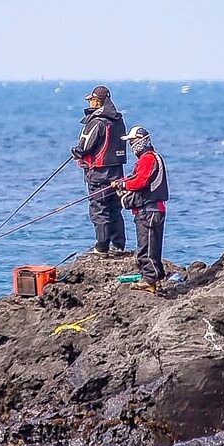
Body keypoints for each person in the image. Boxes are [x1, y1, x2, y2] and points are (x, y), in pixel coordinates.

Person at [71, 86, 127, 255]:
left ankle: (102, 246)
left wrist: (76, 152)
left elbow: (86, 147)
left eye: (91, 99)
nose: (89, 102)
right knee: (115, 209)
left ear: (98, 101)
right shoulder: (118, 120)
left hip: (98, 174)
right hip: (117, 173)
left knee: (99, 208)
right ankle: (118, 245)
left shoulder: (97, 121)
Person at [114, 125, 168, 292]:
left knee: (146, 246)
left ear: (140, 142)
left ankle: (149, 279)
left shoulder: (148, 159)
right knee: (152, 245)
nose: (131, 146)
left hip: (149, 211)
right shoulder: (151, 158)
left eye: (132, 141)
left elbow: (140, 181)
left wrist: (123, 184)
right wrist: (123, 182)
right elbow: (137, 177)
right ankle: (154, 277)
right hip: (153, 210)